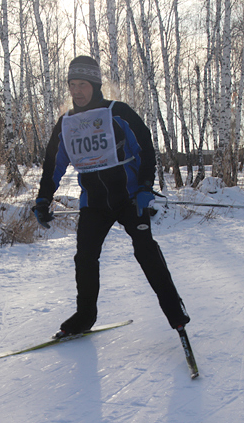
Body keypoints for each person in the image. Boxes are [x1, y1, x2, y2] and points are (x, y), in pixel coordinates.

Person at [33, 55, 190, 338]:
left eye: (82, 84)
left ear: (95, 84)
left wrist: (144, 187)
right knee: (85, 257)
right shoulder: (66, 123)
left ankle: (175, 314)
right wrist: (43, 199)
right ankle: (84, 317)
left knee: (146, 251)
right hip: (94, 203)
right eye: (72, 85)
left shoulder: (118, 112)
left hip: (130, 198)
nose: (77, 91)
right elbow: (53, 164)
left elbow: (144, 149)